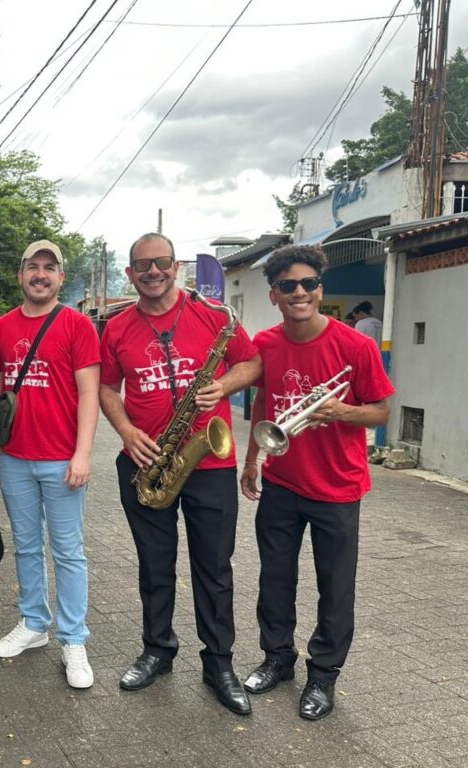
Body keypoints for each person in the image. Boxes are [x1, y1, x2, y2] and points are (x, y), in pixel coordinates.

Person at [98, 233, 261, 715]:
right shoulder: (117, 327)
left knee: (214, 568)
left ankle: (219, 664)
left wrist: (223, 385)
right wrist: (126, 430)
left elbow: (252, 362)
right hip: (146, 460)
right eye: (142, 265)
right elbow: (106, 387)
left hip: (209, 462)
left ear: (176, 267)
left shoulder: (214, 316)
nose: (153, 271)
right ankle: (157, 650)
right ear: (129, 273)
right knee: (154, 565)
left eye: (162, 262)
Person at [241, 245, 394, 721]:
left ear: (320, 290)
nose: (300, 292)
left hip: (337, 488)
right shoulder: (266, 343)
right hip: (282, 482)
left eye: (308, 283)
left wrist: (341, 410)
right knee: (275, 578)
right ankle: (277, 658)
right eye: (288, 286)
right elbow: (263, 403)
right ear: (274, 295)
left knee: (335, 587)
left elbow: (381, 412)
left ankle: (323, 675)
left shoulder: (356, 346)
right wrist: (252, 459)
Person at [0, 239, 100, 690]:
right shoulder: (3, 326)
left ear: (60, 278)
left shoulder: (77, 325)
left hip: (63, 459)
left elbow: (89, 392)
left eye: (49, 268)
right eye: (33, 267)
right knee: (27, 546)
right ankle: (33, 623)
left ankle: (74, 639)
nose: (40, 274)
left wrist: (83, 453)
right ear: (21, 274)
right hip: (15, 458)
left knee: (68, 551)